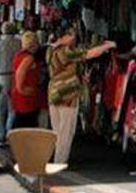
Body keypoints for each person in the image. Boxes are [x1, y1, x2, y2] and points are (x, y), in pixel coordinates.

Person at [47, 26, 116, 164]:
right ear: (65, 36)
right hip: (67, 93)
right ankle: (59, 162)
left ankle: (56, 158)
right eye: (71, 35)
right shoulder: (66, 51)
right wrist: (106, 46)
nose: (74, 38)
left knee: (57, 129)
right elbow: (89, 53)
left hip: (53, 91)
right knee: (66, 131)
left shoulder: (50, 50)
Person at [0, 22, 21, 146]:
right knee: (13, 107)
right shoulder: (19, 43)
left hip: (2, 77)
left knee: (0, 108)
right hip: (16, 77)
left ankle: (1, 136)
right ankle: (10, 133)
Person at [11, 31, 41, 128]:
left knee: (21, 120)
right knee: (27, 122)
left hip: (20, 94)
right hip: (26, 95)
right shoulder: (29, 58)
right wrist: (22, 89)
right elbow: (20, 73)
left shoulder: (19, 55)